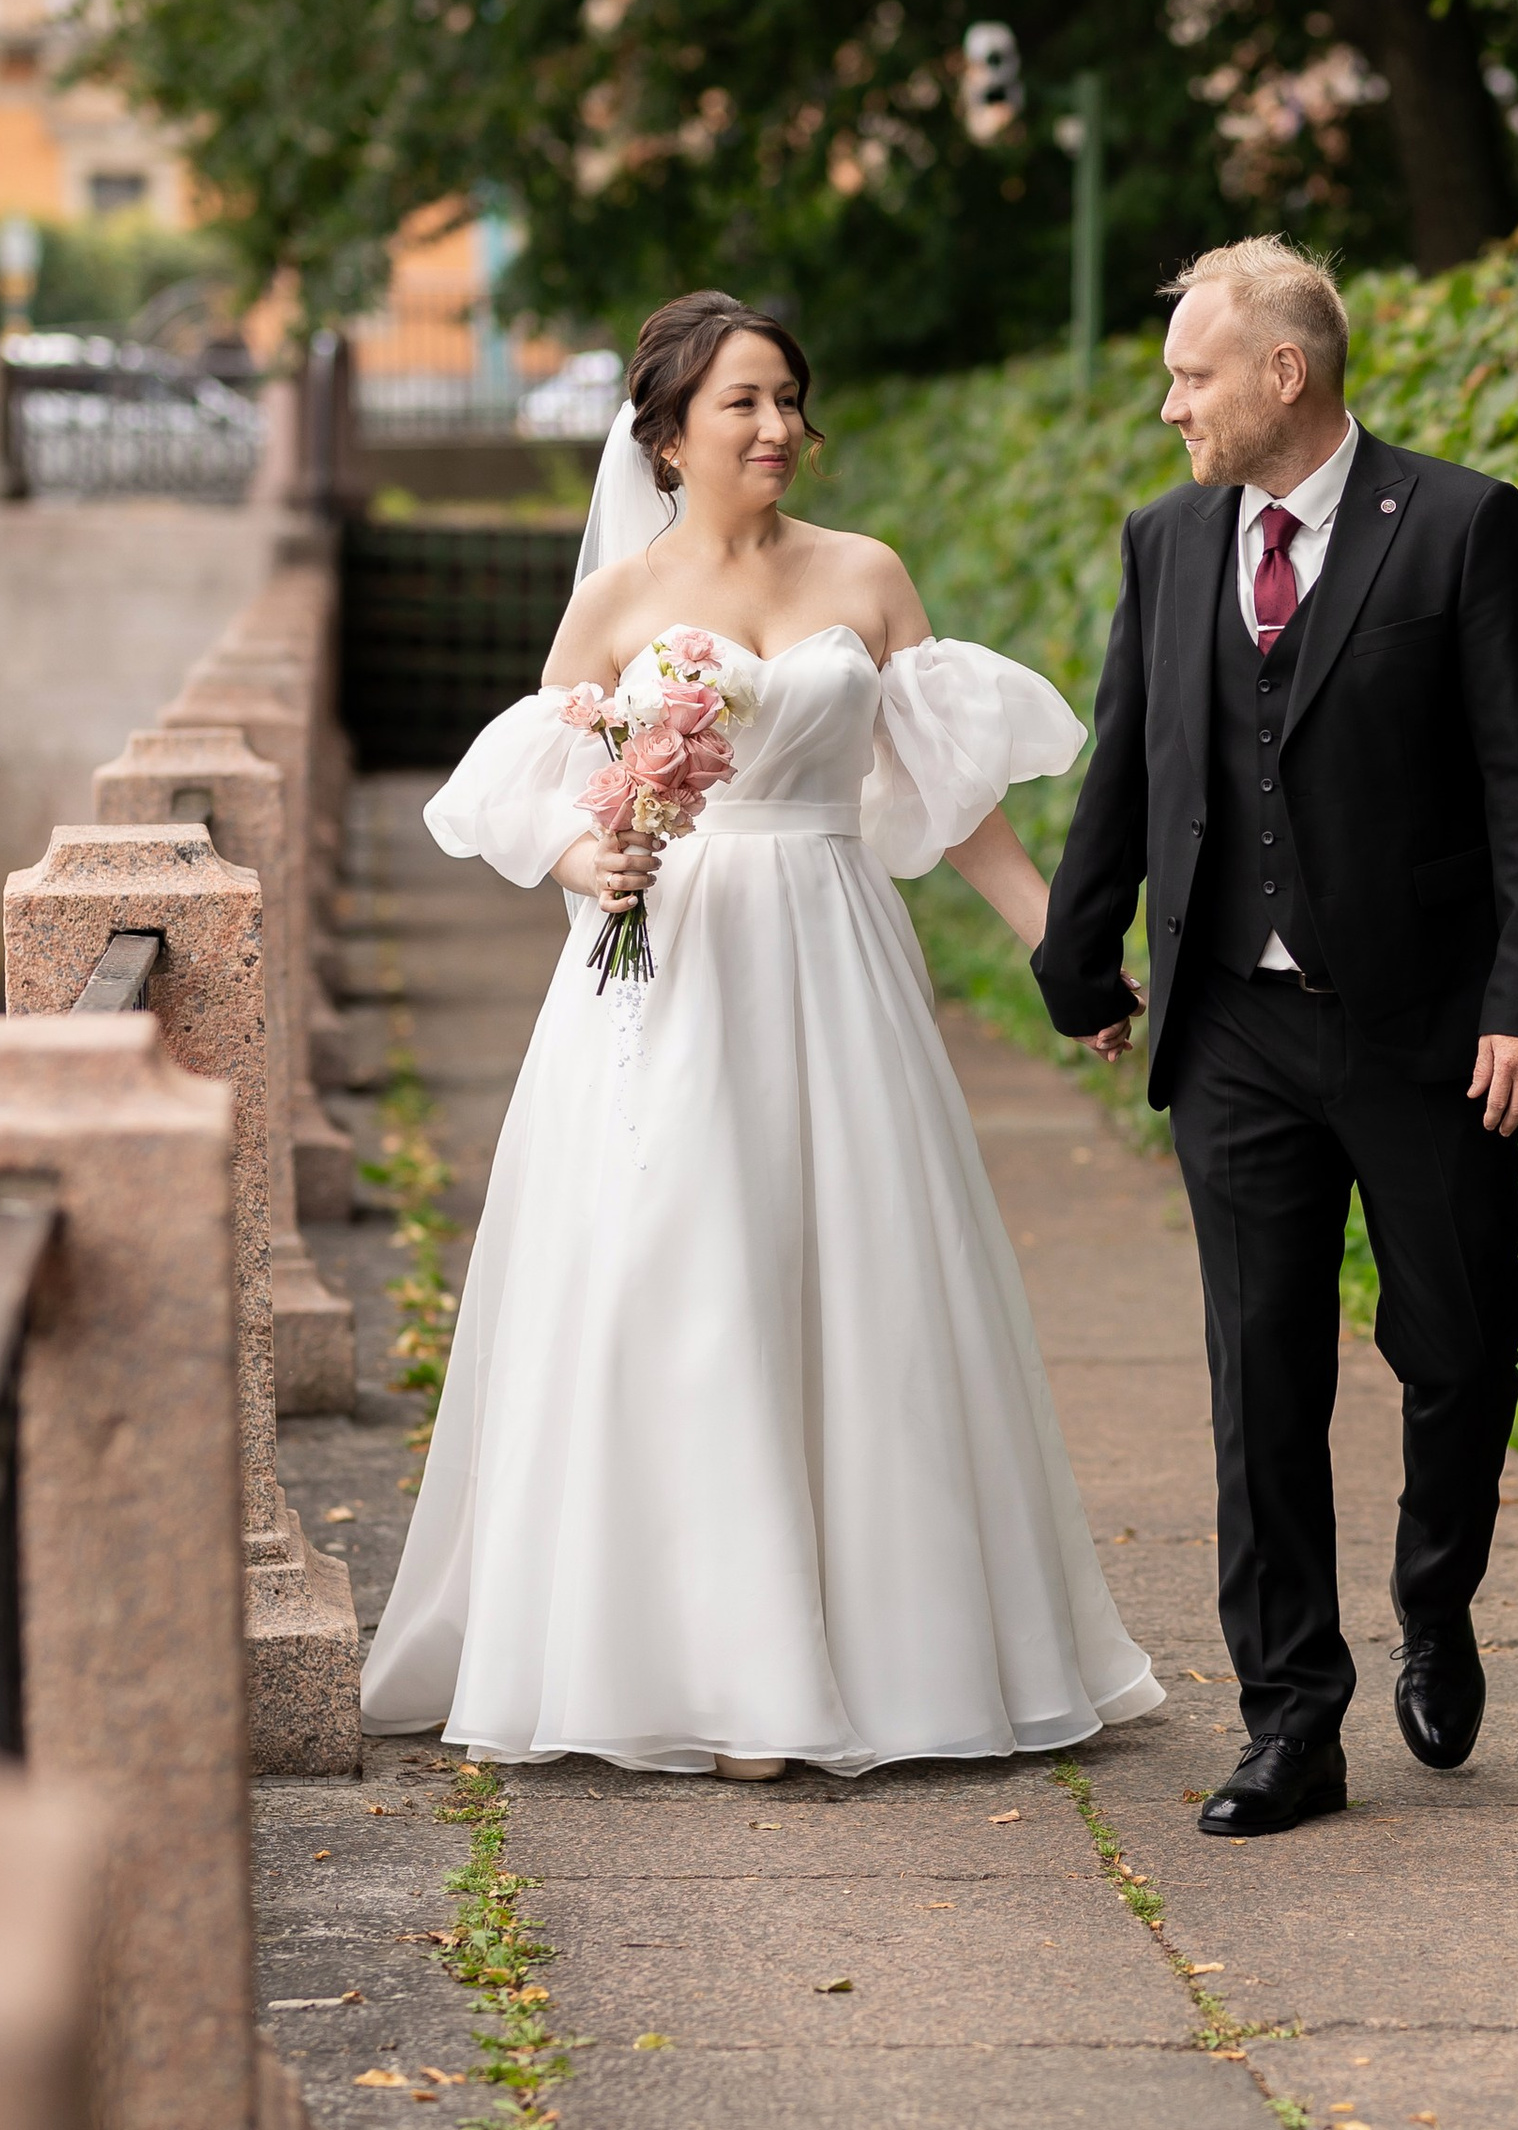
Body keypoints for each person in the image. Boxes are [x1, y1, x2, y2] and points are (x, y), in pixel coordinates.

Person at [360, 290, 1163, 1779]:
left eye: (788, 397)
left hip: (833, 950)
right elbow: (538, 791)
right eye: (743, 402)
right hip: (666, 971)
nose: (779, 426)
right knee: (679, 1281)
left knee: (857, 1276)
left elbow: (954, 800)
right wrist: (588, 862)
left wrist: (1065, 952)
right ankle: (714, 1669)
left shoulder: (866, 574)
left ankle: (876, 1648)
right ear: (668, 436)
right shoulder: (616, 603)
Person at [1033, 237, 1518, 1838]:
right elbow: (1131, 759)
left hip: (1425, 1031)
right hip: (1233, 1029)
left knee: (1458, 1345)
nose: (1170, 407)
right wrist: (1080, 956)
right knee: (1258, 1376)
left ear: (1286, 374)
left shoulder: (1462, 525)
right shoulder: (1168, 541)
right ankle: (1291, 1723)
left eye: (1191, 376)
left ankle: (1437, 1600)